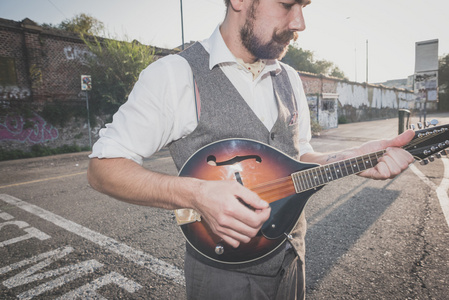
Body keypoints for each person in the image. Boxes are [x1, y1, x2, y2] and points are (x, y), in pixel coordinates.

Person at [87, 0, 415, 299]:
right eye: (287, 4)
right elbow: (103, 168)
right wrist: (196, 194)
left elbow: (298, 157)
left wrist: (350, 158)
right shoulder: (175, 75)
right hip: (222, 279)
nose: (300, 23)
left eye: (304, 6)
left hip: (292, 258)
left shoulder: (289, 77)